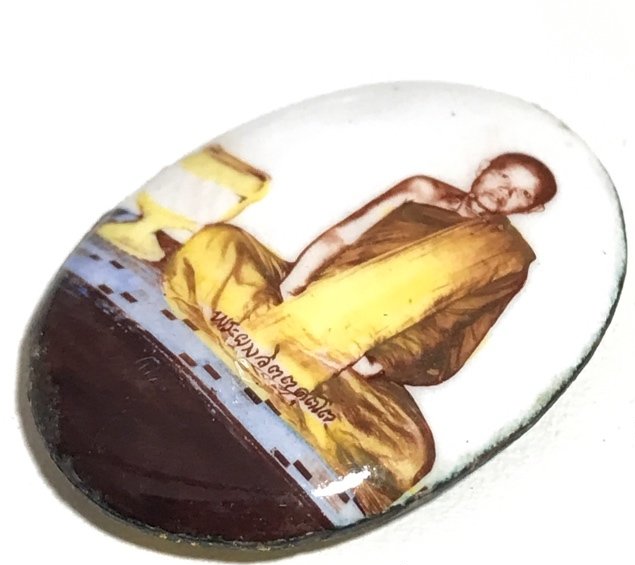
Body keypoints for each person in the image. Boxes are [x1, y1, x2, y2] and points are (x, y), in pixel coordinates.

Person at [163, 152, 557, 514]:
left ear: (531, 209)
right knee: (219, 244)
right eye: (503, 176)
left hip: (349, 353)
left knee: (407, 453)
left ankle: (266, 347)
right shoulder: (422, 189)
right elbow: (343, 236)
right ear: (484, 167)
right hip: (305, 298)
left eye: (522, 193)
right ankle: (281, 355)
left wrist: (380, 362)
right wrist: (293, 284)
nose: (504, 192)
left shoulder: (506, 258)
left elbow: (449, 327)